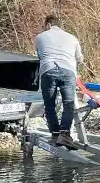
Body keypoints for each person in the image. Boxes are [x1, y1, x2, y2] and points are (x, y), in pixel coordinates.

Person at [34, 15, 84, 148]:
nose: (43, 29)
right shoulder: (72, 37)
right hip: (68, 71)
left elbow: (39, 56)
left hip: (48, 70)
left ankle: (55, 134)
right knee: (68, 104)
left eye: (44, 26)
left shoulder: (40, 37)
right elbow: (80, 59)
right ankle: (65, 134)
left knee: (49, 105)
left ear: (48, 25)